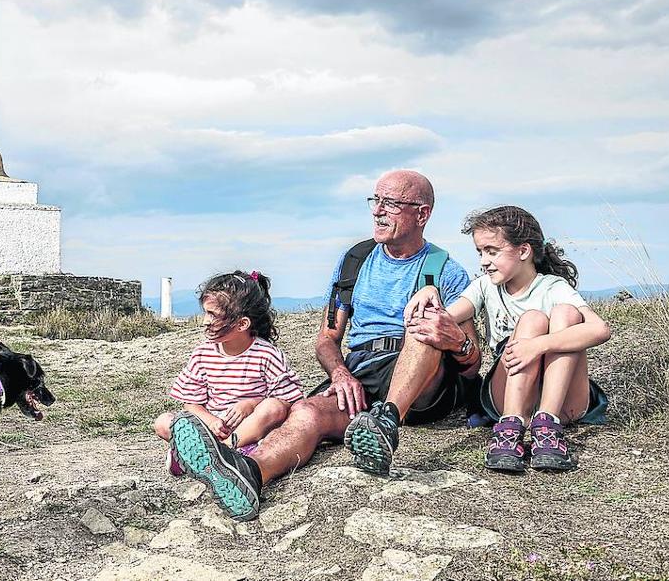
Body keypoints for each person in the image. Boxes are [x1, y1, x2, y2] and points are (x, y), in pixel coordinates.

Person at [169, 170, 481, 521]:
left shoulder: (446, 272)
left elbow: (472, 363)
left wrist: (454, 339)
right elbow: (327, 338)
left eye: (390, 204)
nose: (378, 211)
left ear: (422, 214)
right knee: (306, 412)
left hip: (425, 380)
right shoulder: (354, 262)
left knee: (421, 324)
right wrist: (340, 373)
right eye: (374, 201)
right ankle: (249, 472)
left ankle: (387, 421)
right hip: (363, 370)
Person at [404, 205, 611, 472]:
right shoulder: (485, 286)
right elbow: (448, 317)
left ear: (523, 251)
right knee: (533, 320)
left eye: (492, 251)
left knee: (566, 314)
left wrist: (538, 345)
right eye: (480, 252)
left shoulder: (553, 288)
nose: (483, 261)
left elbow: (600, 329)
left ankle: (547, 426)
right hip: (509, 393)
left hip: (563, 401)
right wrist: (430, 289)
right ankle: (510, 429)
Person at [153, 270, 303, 476]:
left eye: (213, 315)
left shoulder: (267, 354)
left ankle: (209, 455)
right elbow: (191, 403)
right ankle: (218, 454)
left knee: (273, 407)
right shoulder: (202, 354)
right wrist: (211, 421)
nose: (205, 321)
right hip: (211, 428)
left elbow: (287, 400)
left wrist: (250, 405)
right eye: (205, 312)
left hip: (249, 430)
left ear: (242, 324)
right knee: (163, 422)